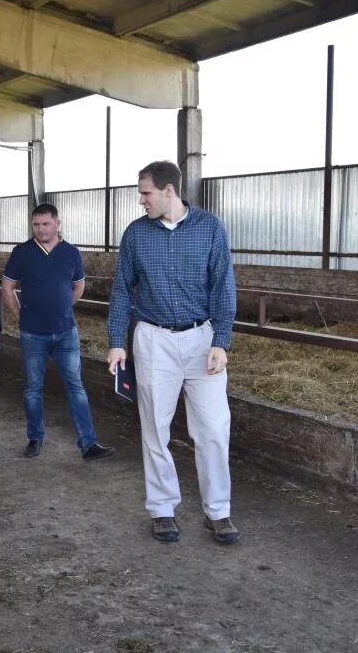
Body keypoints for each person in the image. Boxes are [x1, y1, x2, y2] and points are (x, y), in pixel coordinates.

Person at [106, 161, 239, 545]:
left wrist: (222, 340)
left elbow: (223, 287)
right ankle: (163, 509)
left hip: (201, 337)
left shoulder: (209, 227)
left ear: (169, 191)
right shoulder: (136, 234)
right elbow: (120, 291)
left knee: (213, 427)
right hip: (153, 339)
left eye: (145, 192)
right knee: (155, 427)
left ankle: (219, 511)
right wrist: (117, 341)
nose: (140, 199)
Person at [1, 203, 116, 462]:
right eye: (36, 224)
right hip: (32, 333)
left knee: (76, 386)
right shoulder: (21, 252)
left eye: (46, 224)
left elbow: (78, 287)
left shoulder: (71, 253)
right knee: (32, 388)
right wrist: (21, 316)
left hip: (66, 333)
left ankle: (88, 444)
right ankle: (35, 438)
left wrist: (62, 307)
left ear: (58, 224)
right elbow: (7, 288)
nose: (41, 229)